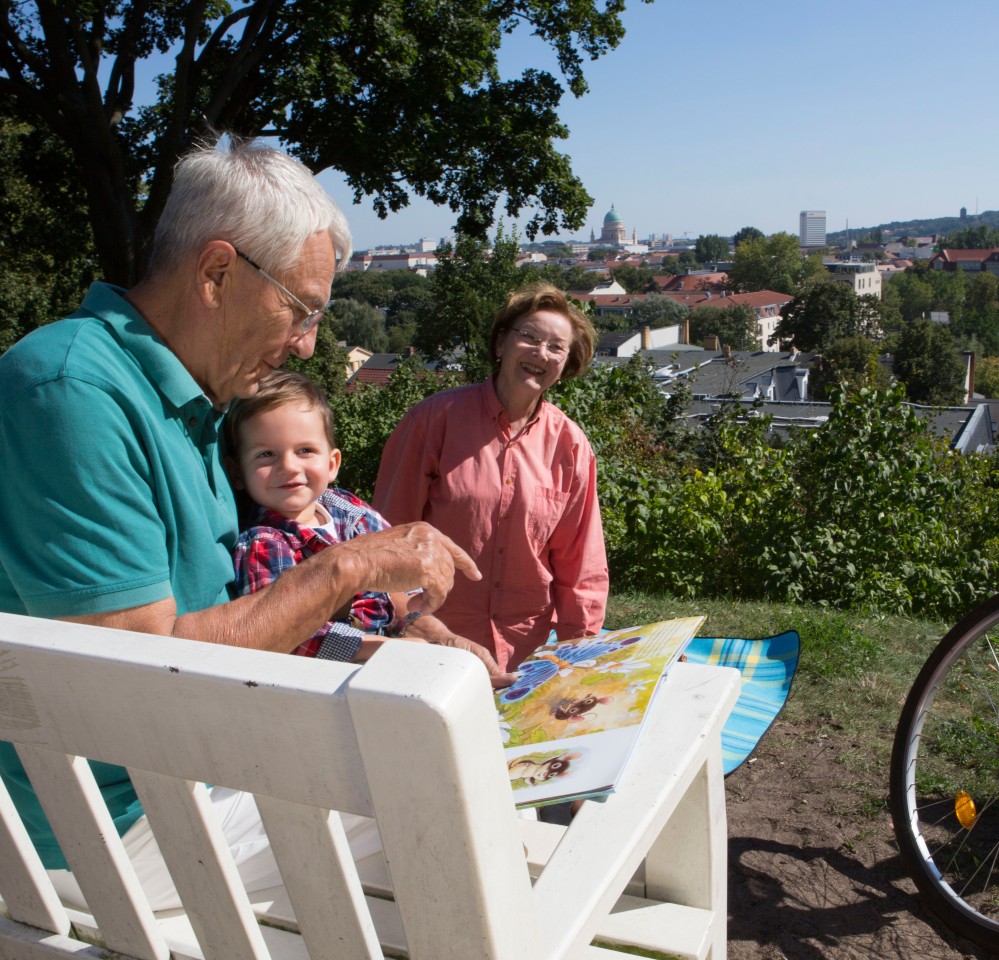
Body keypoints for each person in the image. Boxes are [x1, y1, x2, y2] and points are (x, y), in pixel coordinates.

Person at [0, 137, 487, 911]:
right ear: (217, 273)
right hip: (110, 828)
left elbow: (239, 610)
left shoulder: (200, 403)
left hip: (195, 767)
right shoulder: (69, 391)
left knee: (458, 745)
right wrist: (346, 568)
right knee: (451, 792)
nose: (307, 344)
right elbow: (130, 673)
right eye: (301, 310)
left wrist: (393, 633)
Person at [374, 283, 609, 672]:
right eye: (529, 337)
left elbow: (580, 563)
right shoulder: (434, 421)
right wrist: (408, 622)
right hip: (432, 643)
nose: (540, 353)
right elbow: (388, 534)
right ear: (501, 344)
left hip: (524, 651)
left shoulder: (571, 446)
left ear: (566, 366)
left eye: (556, 347)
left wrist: (578, 655)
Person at [225, 368, 513, 677]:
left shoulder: (346, 509)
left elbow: (395, 589)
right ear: (239, 473)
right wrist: (386, 650)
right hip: (328, 685)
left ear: (332, 463)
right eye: (266, 455)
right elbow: (283, 635)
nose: (289, 466)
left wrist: (435, 635)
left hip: (389, 665)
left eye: (305, 450)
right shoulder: (264, 542)